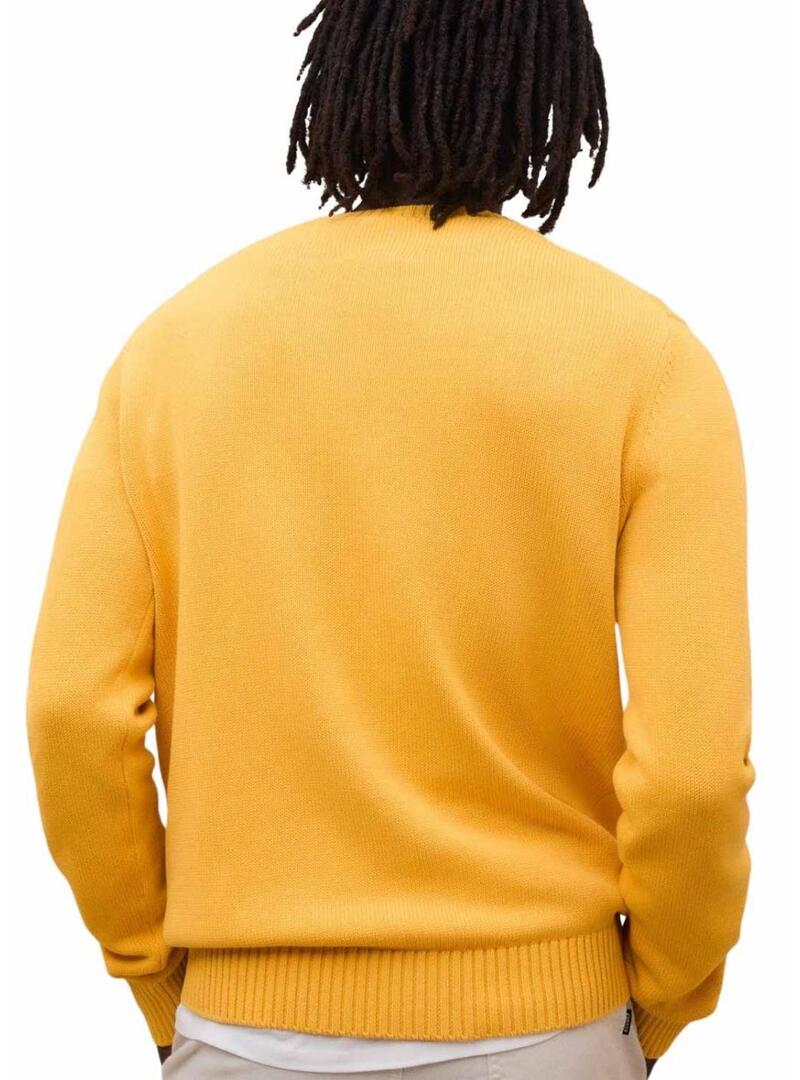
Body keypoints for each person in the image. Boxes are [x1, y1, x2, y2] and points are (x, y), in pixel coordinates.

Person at [27, 1, 754, 1077]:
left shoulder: (173, 353)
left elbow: (72, 712)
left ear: (336, 76)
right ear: (552, 90)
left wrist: (156, 977)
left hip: (239, 1030)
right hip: (544, 1029)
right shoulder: (647, 361)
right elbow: (691, 775)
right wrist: (654, 1001)